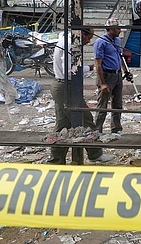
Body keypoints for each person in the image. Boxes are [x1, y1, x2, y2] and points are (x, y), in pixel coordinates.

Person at [48, 27, 114, 164]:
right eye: (88, 37)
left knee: (62, 125)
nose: (88, 41)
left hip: (62, 86)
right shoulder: (70, 45)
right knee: (86, 120)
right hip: (66, 87)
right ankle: (94, 154)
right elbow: (71, 70)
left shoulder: (65, 40)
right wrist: (89, 68)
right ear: (81, 34)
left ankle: (56, 160)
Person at [94, 17, 131, 134]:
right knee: (102, 106)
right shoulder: (101, 42)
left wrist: (126, 71)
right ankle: (97, 130)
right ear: (110, 29)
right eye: (118, 28)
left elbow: (121, 57)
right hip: (106, 75)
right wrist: (103, 83)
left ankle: (116, 129)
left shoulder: (117, 41)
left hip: (117, 75)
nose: (120, 30)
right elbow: (98, 64)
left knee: (117, 105)